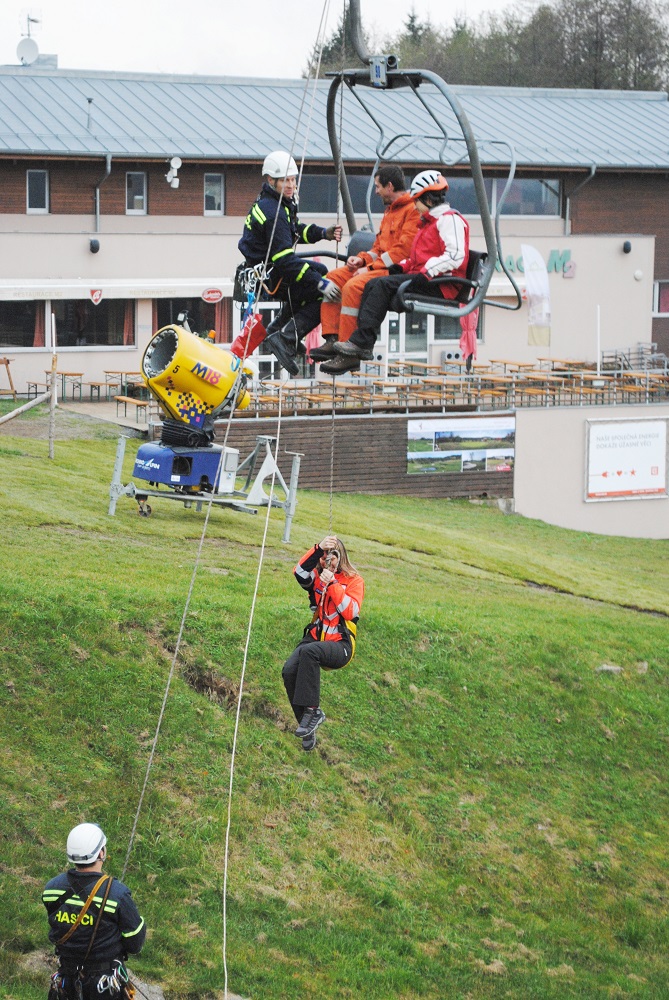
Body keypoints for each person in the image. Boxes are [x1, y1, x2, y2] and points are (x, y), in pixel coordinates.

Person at [320, 170, 470, 375]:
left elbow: (455, 255)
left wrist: (425, 272)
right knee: (373, 284)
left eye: (417, 201)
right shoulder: (429, 222)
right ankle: (359, 342)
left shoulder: (449, 220)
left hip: (441, 283)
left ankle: (361, 343)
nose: (414, 205)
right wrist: (399, 268)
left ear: (428, 199)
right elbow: (416, 257)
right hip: (427, 277)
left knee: (381, 285)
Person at [233, 150, 342, 376]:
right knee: (320, 290)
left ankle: (279, 331)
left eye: (293, 180)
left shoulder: (275, 203)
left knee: (319, 271)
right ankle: (286, 336)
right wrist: (320, 283)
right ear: (271, 180)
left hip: (266, 270)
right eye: (285, 181)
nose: (291, 185)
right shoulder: (274, 212)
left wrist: (323, 233)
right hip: (272, 274)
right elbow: (284, 260)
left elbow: (293, 231)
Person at [310, 164, 420, 363]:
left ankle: (347, 350)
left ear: (389, 186)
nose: (376, 191)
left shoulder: (411, 211)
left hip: (393, 271)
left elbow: (402, 252)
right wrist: (361, 259)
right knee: (333, 279)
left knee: (352, 286)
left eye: (378, 187)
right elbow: (378, 248)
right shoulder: (390, 212)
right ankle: (332, 338)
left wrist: (368, 268)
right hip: (377, 267)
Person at [43, 823, 146, 999]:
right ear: (101, 853)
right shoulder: (117, 894)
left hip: (67, 982)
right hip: (104, 988)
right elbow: (134, 944)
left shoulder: (51, 889)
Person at [283, 536, 364, 752]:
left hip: (341, 645)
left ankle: (313, 711)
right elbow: (299, 572)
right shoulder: (317, 577)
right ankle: (306, 725)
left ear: (341, 557)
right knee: (289, 671)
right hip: (316, 637)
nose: (328, 560)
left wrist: (334, 584)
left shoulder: (354, 581)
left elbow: (350, 611)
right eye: (324, 556)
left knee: (310, 652)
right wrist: (318, 548)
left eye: (332, 555)